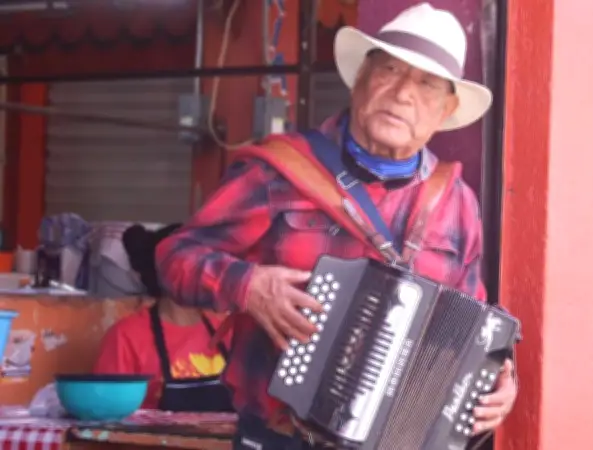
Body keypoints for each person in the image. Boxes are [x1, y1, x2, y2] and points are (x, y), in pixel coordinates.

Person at [156, 3, 517, 448]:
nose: (404, 93)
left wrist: (498, 378)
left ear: (446, 110)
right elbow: (175, 258)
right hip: (279, 437)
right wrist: (247, 286)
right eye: (390, 69)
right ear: (360, 79)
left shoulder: (457, 203)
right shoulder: (280, 171)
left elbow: (471, 329)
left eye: (427, 85)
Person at [94, 224, 234, 412]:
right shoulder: (126, 337)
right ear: (166, 272)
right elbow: (107, 414)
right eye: (199, 266)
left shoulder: (226, 331)